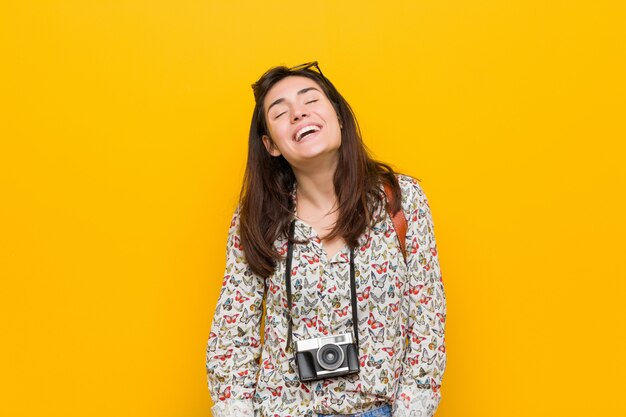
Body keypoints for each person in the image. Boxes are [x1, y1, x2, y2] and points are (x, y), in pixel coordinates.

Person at [206, 62, 447, 417]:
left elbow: (427, 314)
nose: (298, 113)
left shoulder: (400, 199)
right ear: (271, 145)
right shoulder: (259, 218)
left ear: (339, 116)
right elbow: (233, 326)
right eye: (280, 111)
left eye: (310, 100)